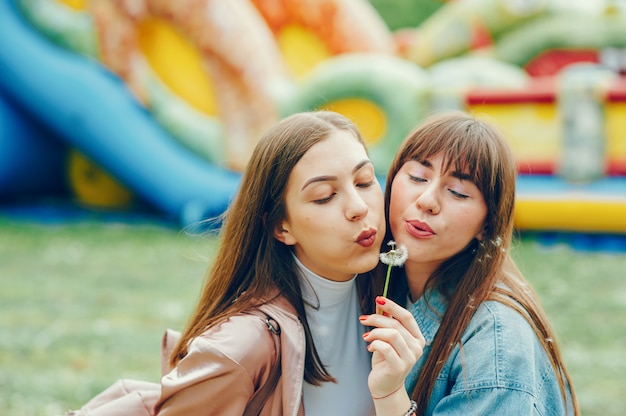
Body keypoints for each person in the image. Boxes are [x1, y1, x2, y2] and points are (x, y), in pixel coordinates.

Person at [69, 110, 424, 416]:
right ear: (281, 226)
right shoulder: (240, 348)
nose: (358, 207)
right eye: (324, 196)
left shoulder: (398, 288)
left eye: (364, 181)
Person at [365, 111, 579, 415]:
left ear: (486, 225)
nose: (427, 200)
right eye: (417, 177)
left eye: (458, 192)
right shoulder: (374, 280)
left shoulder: (497, 345)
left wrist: (392, 399)